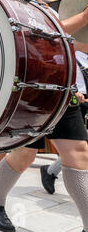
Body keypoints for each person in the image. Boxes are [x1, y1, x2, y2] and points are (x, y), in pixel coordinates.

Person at [0, 0, 88, 232]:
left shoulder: (49, 10)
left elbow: (69, 45)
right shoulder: (11, 5)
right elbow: (47, 35)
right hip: (31, 94)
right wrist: (84, 16)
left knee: (79, 154)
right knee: (24, 155)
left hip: (61, 91)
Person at [40, 50, 88, 194]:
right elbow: (59, 74)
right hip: (72, 100)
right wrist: (74, 92)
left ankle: (50, 171)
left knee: (80, 146)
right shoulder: (71, 54)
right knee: (78, 146)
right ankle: (50, 172)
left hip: (84, 102)